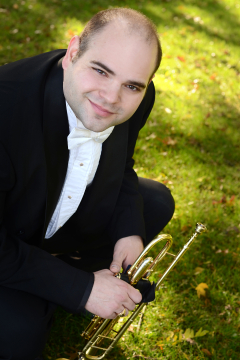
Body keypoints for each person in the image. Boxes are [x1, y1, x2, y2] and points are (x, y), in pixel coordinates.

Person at [0, 8, 175, 360]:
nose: (112, 98)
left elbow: (122, 164)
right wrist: (81, 288)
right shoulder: (6, 106)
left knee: (154, 203)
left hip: (49, 219)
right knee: (20, 334)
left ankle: (59, 283)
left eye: (131, 85)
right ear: (73, 52)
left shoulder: (139, 95)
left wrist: (129, 230)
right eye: (100, 70)